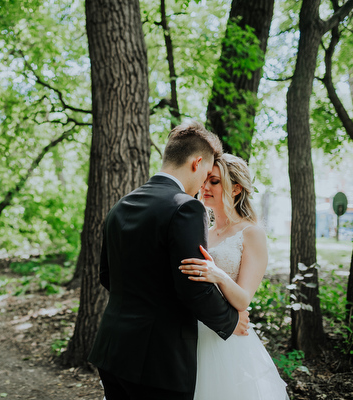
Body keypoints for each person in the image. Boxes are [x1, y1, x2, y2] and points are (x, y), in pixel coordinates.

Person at [88, 121, 250, 400]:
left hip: (111, 350)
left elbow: (107, 275)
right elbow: (193, 285)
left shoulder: (121, 205)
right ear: (197, 162)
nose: (203, 185)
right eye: (207, 174)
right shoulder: (186, 207)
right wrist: (229, 320)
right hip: (158, 362)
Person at [179, 153, 289, 400]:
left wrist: (217, 274)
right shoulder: (202, 232)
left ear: (236, 188)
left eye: (215, 181)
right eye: (205, 179)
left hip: (227, 340)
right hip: (191, 331)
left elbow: (242, 300)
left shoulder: (252, 233)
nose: (205, 186)